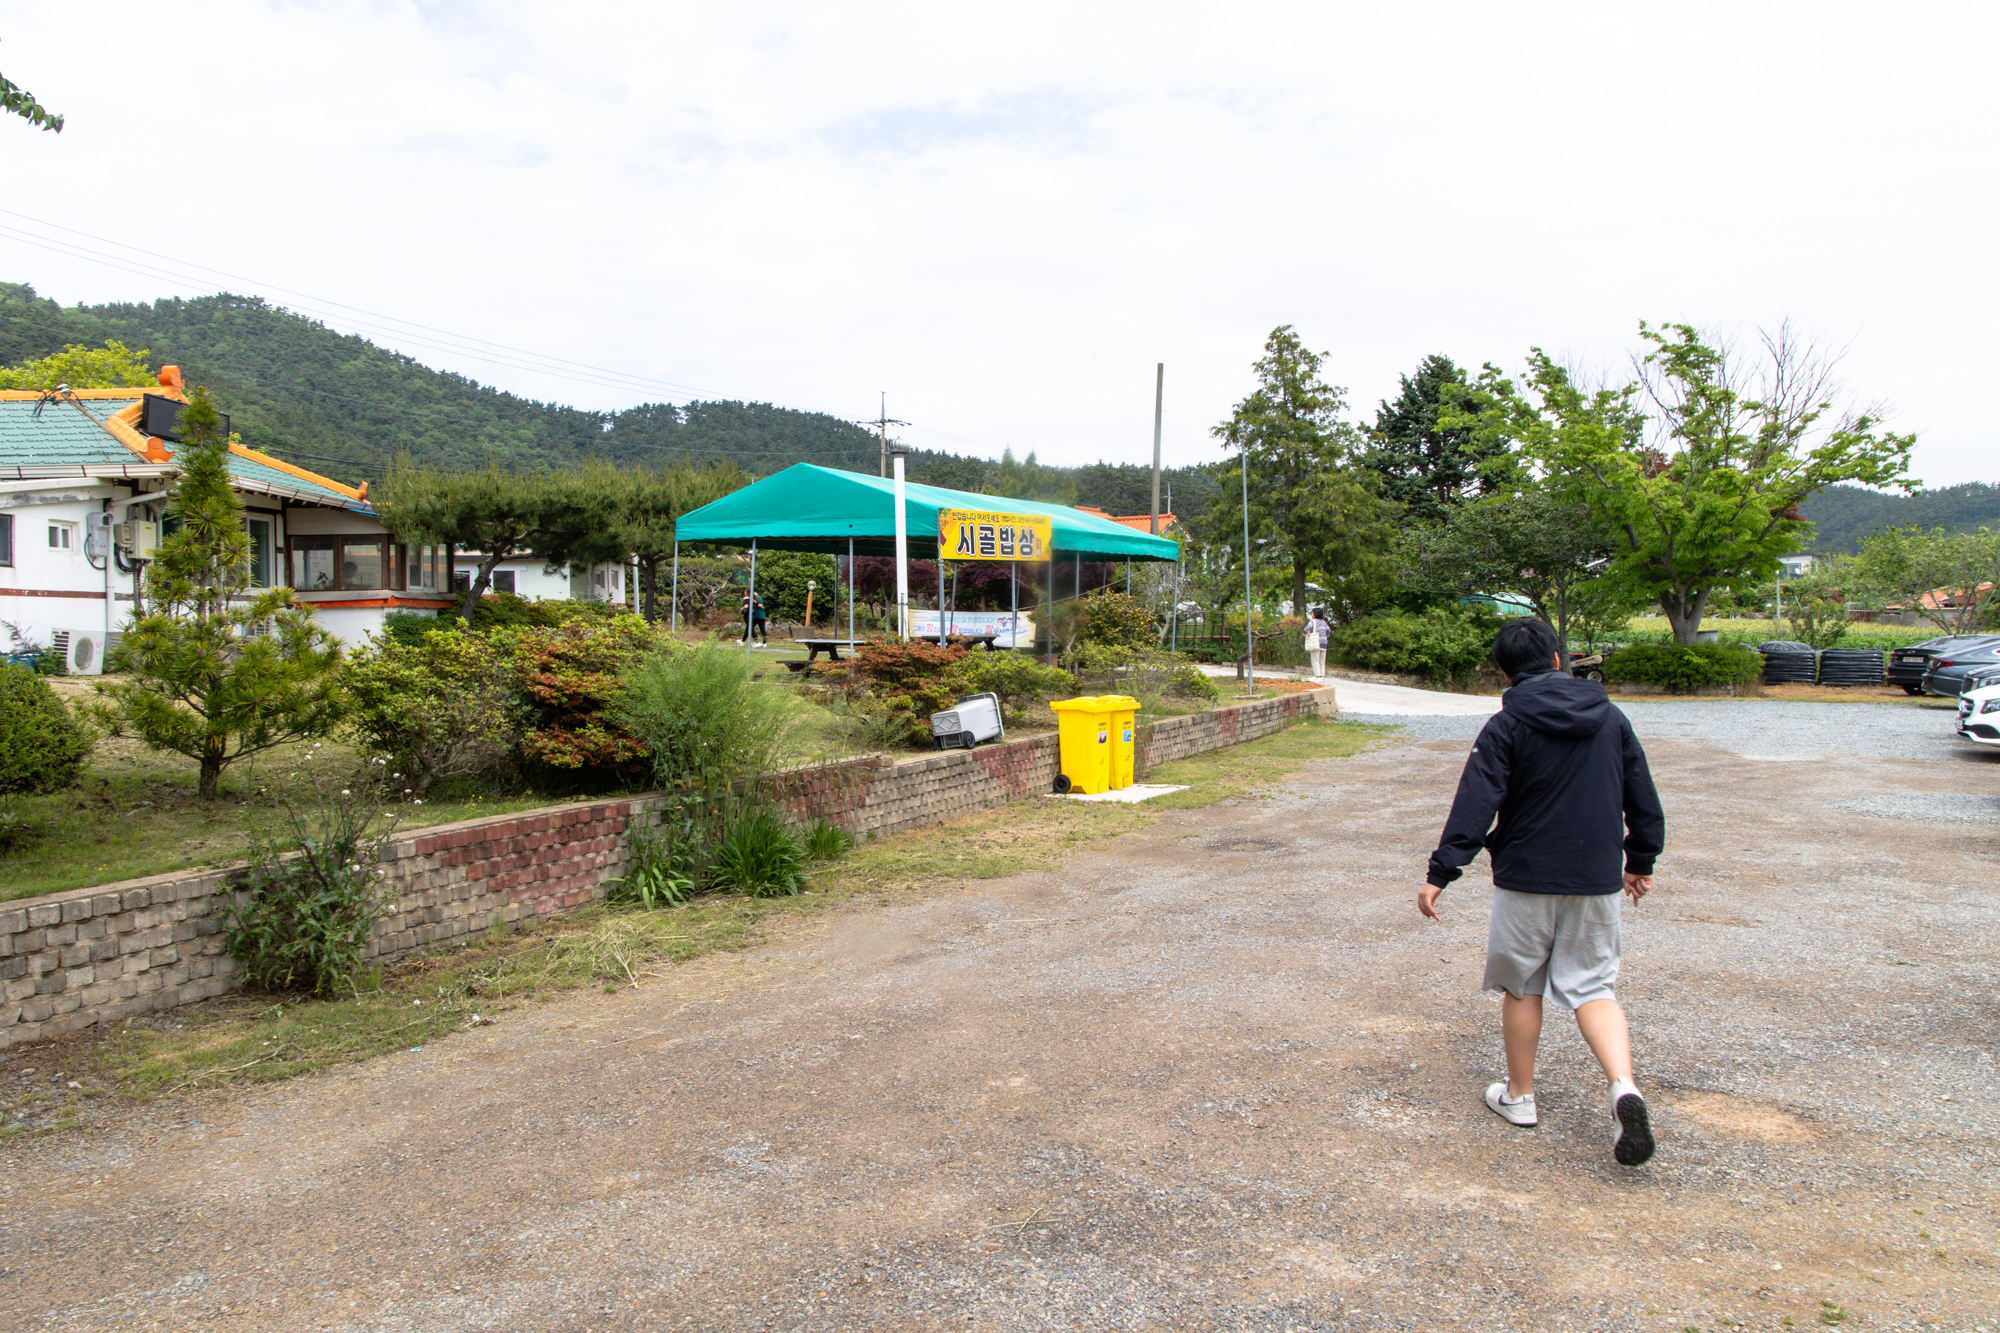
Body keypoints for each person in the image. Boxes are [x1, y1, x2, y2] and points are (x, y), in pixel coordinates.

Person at [1417, 616, 1665, 1166]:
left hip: (1527, 877)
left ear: (1504, 672)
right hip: (1596, 876)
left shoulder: (1506, 725)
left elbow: (1476, 802)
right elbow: (1641, 792)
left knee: (1524, 984)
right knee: (1595, 987)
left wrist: (1442, 872)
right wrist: (1639, 859)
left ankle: (1521, 1098)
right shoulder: (1610, 717)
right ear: (1558, 658)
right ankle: (1624, 1086)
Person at [1303, 606, 1331, 678]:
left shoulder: (1313, 622)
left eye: (1312, 613)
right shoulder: (1324, 622)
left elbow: (1307, 628)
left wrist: (1304, 633)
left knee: (1315, 660)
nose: (1311, 614)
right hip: (1324, 644)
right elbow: (1329, 631)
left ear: (1315, 614)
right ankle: (1322, 676)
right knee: (1322, 662)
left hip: (1315, 643)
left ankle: (1317, 676)